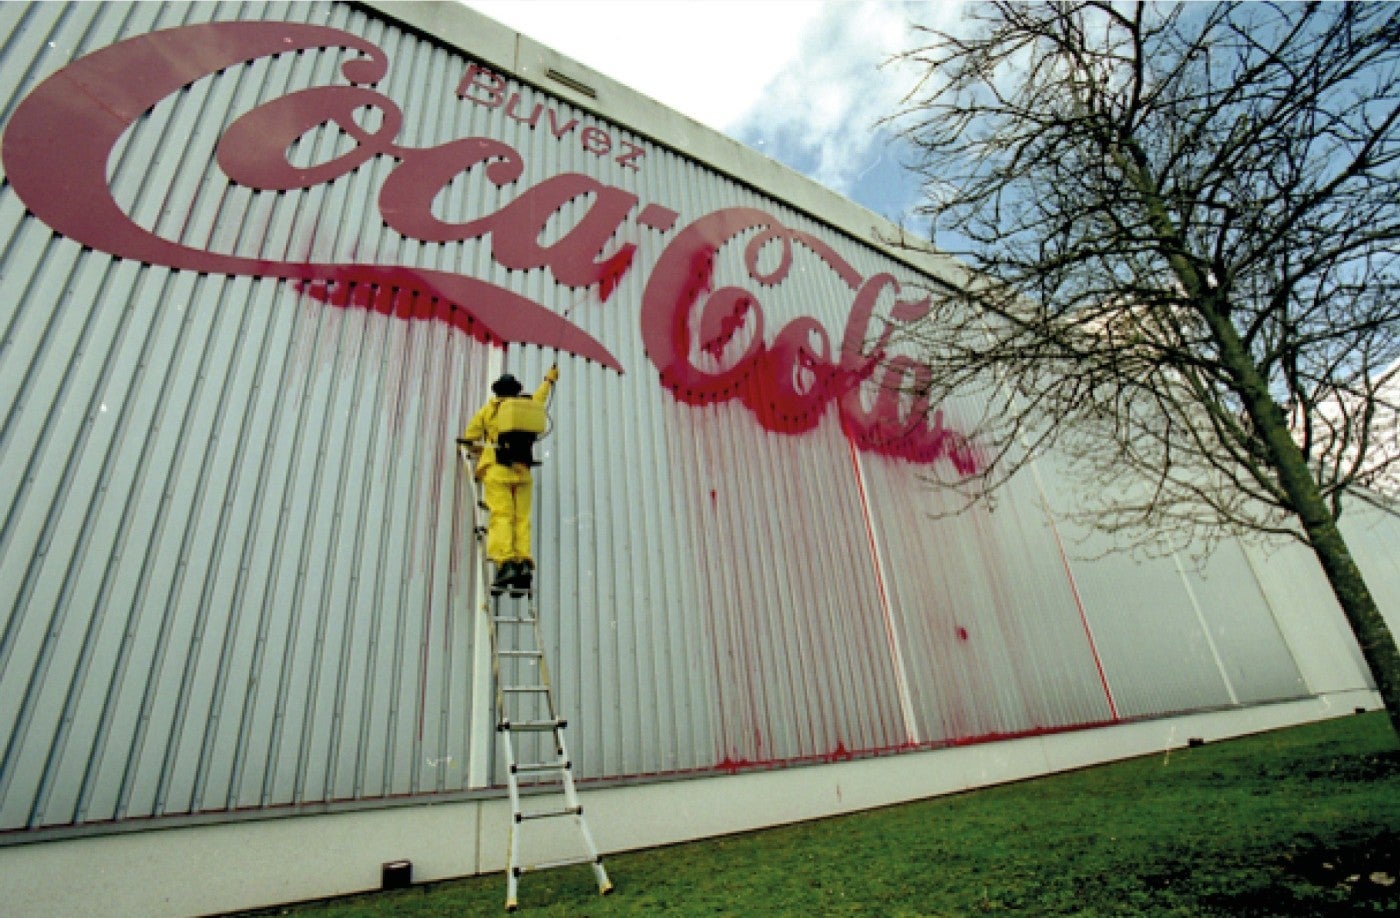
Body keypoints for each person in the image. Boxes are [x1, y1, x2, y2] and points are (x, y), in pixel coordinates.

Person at [461, 366, 558, 591]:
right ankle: (523, 562)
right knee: (521, 518)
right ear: (516, 391)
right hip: (523, 471)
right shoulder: (525, 409)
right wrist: (548, 380)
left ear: (497, 392)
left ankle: (506, 563)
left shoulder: (488, 411)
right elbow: (540, 399)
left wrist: (478, 451)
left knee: (502, 515)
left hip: (498, 470)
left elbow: (470, 437)